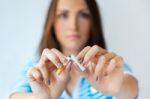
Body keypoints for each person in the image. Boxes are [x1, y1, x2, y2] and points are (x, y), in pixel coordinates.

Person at [9, 0, 139, 99]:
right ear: (52, 21)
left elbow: (131, 88)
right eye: (63, 15)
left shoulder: (109, 67)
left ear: (93, 21)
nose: (73, 26)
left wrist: (117, 90)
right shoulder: (35, 68)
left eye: (83, 15)